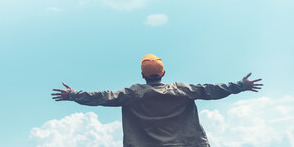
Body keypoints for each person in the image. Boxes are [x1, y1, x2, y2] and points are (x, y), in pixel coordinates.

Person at [51, 54, 263, 147]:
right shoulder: (181, 90)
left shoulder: (132, 94)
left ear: (143, 75)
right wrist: (241, 85)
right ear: (164, 72)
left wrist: (73, 95)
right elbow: (211, 90)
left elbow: (102, 97)